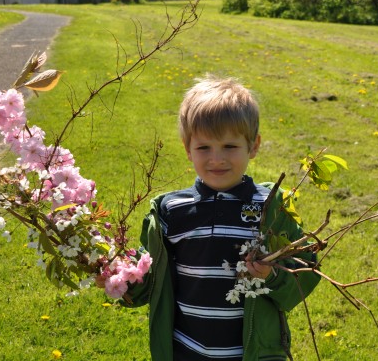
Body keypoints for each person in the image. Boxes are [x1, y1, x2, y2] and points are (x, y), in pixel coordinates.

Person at [124, 75, 321, 360]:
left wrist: (272, 274)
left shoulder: (270, 208)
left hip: (251, 353)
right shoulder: (172, 210)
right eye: (204, 147)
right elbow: (150, 277)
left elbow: (306, 269)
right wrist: (121, 279)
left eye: (229, 146)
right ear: (187, 149)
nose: (216, 159)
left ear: (253, 146)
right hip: (185, 350)